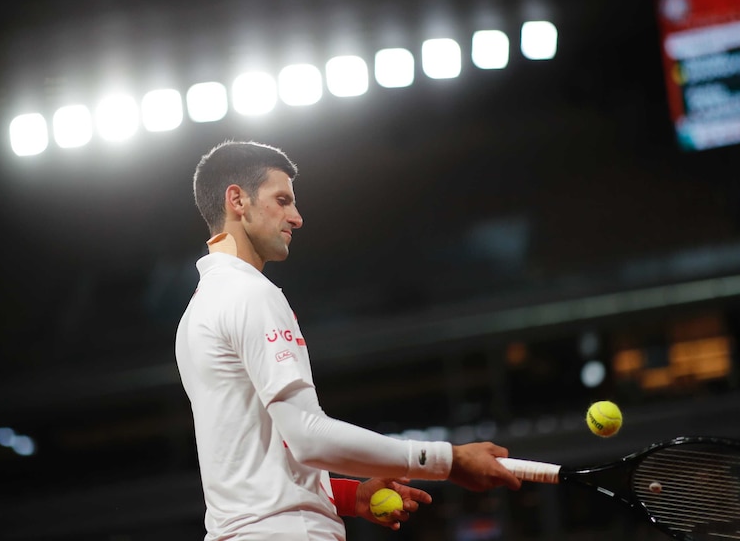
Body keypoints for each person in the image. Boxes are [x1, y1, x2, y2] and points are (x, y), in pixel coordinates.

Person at [175, 140, 522, 541]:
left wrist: (347, 496)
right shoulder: (251, 294)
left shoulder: (195, 315)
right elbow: (306, 434)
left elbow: (250, 456)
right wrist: (449, 460)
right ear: (238, 200)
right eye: (282, 200)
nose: (297, 217)